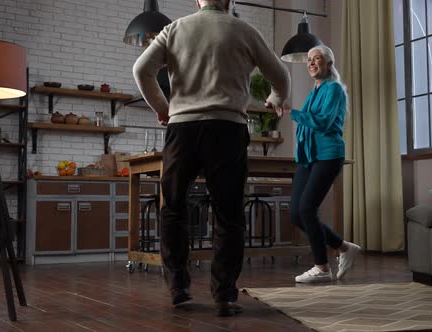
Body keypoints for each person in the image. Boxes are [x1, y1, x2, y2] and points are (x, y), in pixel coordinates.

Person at [132, 0, 290, 316]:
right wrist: (275, 98)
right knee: (228, 214)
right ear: (229, 1)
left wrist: (163, 108)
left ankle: (179, 288)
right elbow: (280, 76)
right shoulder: (245, 30)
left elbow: (141, 70)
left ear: (197, 1)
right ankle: (224, 295)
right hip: (227, 129)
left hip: (183, 129)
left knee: (173, 208)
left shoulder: (175, 28)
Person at [278, 45, 360, 283]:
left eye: (318, 59)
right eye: (310, 60)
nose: (312, 62)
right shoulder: (316, 91)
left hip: (328, 155)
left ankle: (322, 268)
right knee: (295, 214)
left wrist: (290, 112)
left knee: (307, 209)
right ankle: (343, 247)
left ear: (329, 64)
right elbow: (308, 124)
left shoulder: (333, 89)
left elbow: (322, 122)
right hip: (309, 157)